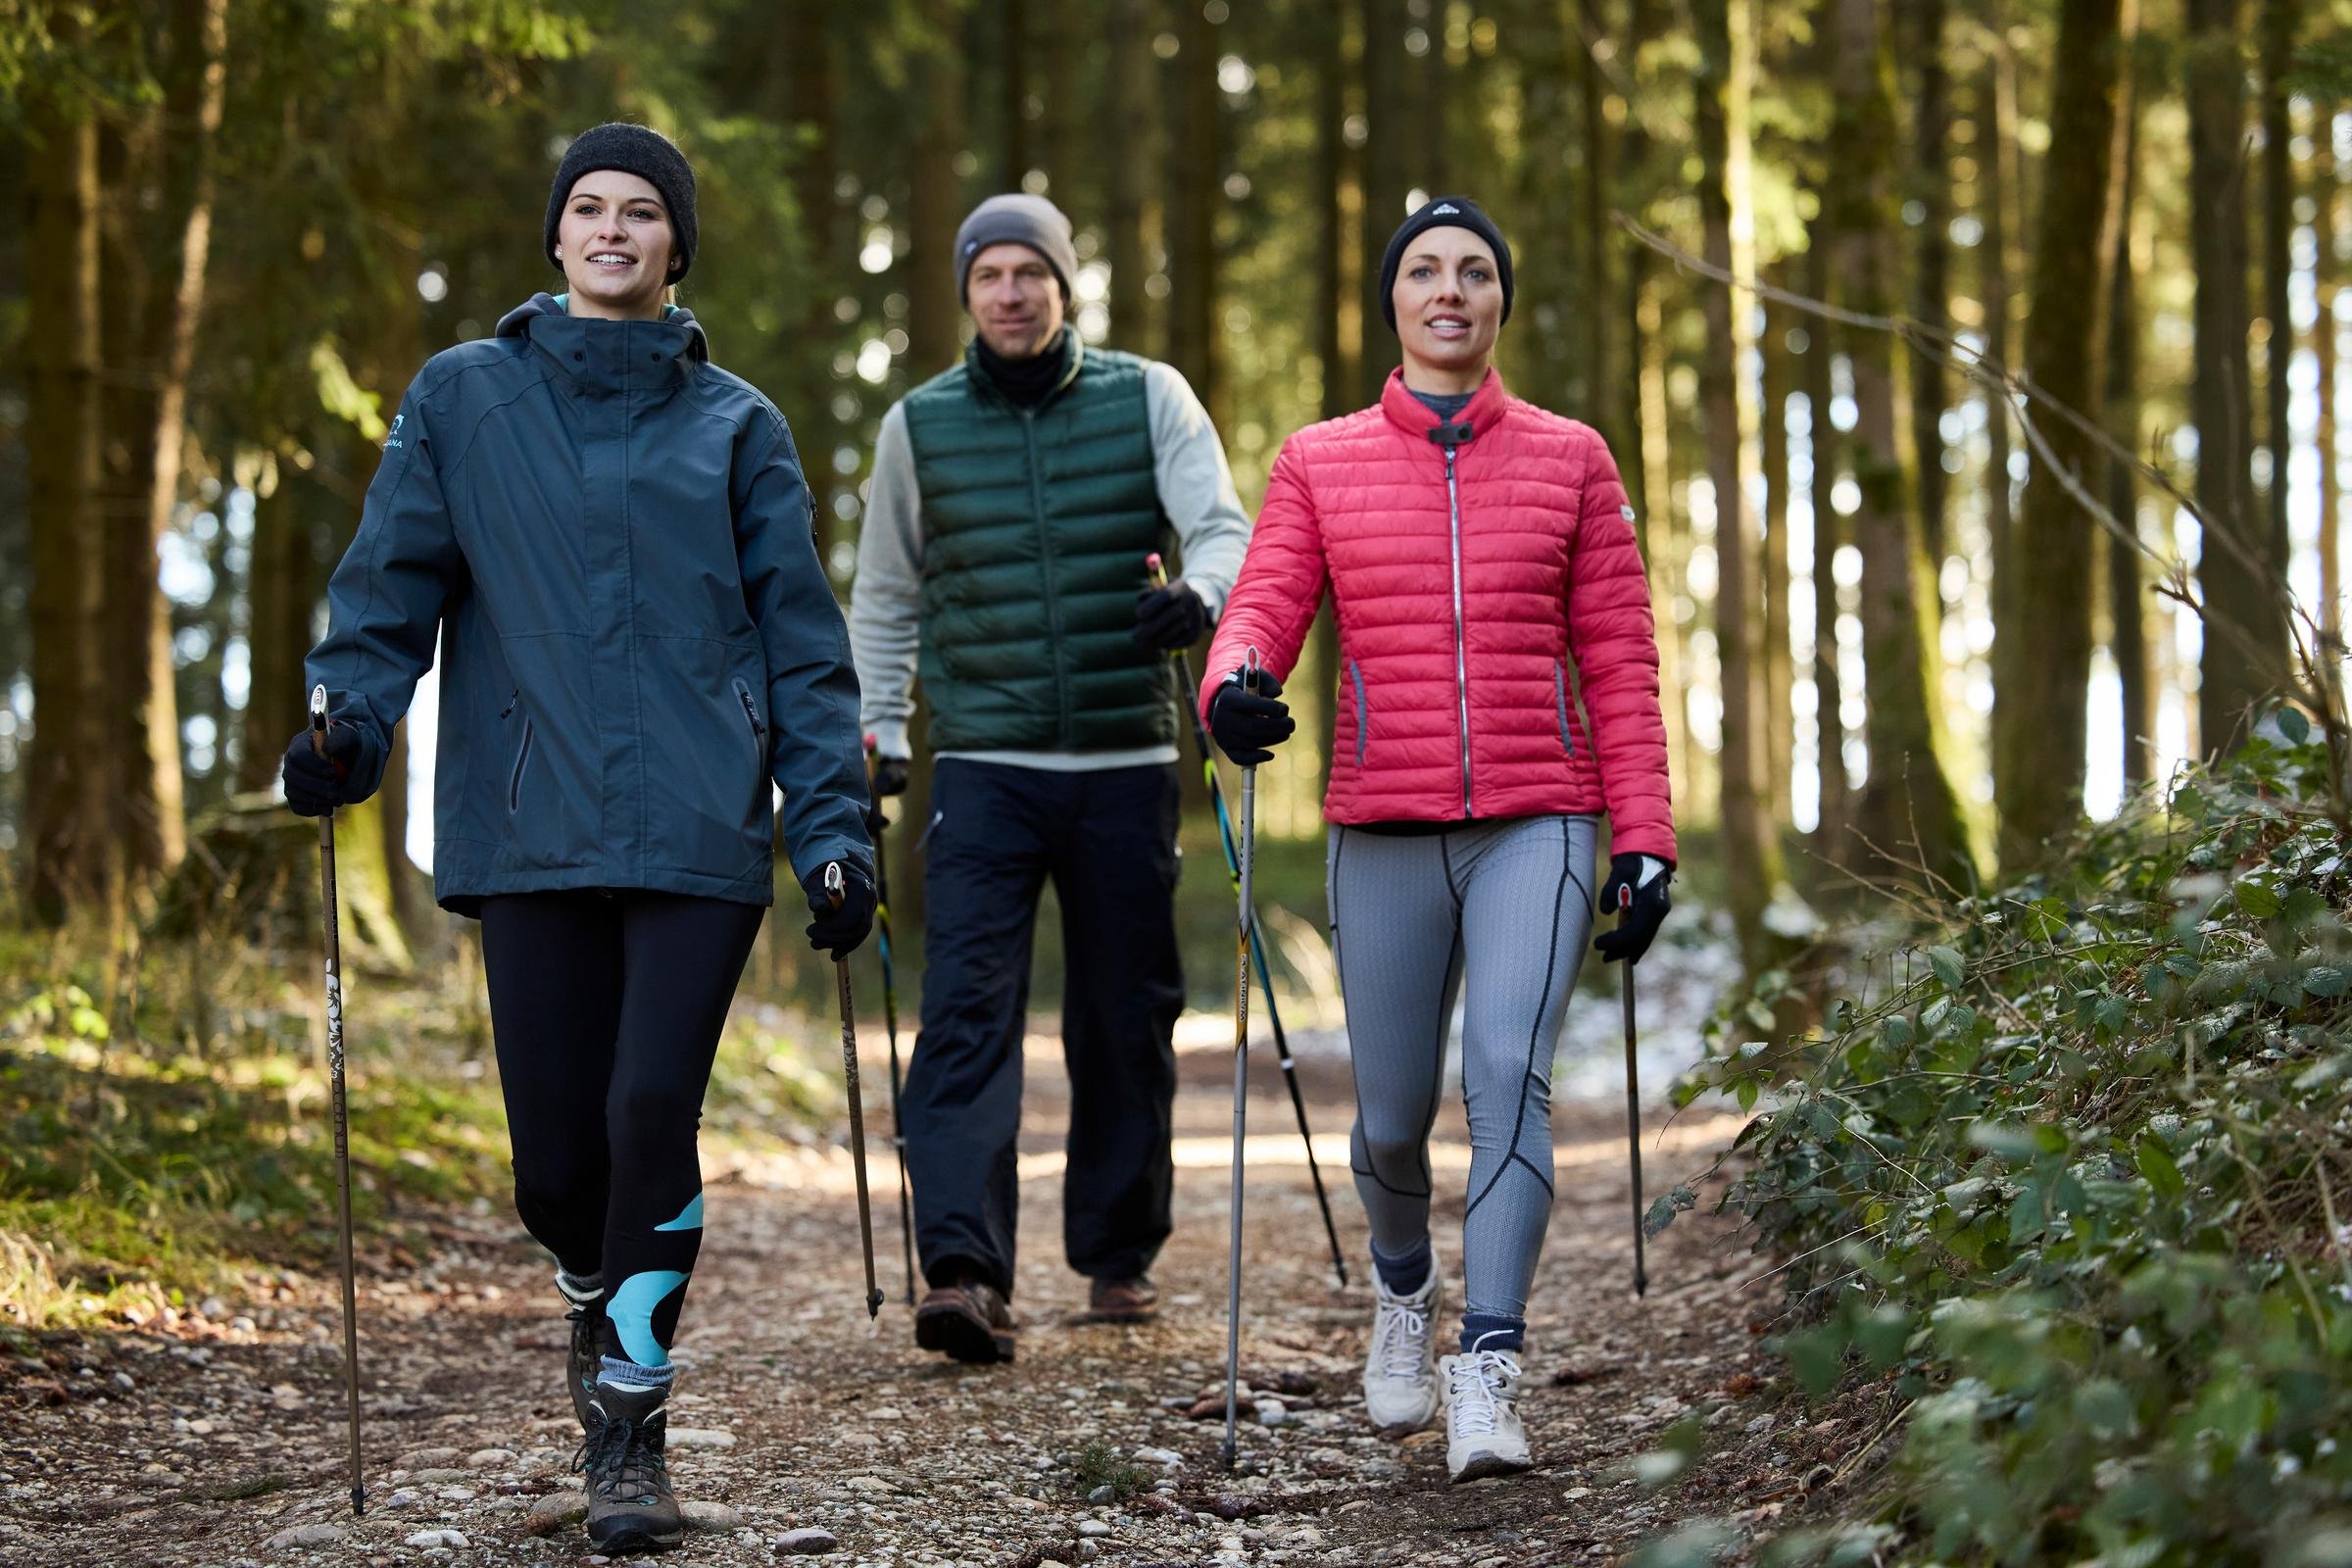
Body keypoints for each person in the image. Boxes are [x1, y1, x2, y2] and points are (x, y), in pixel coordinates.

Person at [280, 123, 874, 1552]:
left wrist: (833, 832)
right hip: (525, 815)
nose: (614, 230)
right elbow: (386, 594)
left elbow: (803, 645)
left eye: (643, 213)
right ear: (557, 238)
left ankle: (630, 1419)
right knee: (554, 1165)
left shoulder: (739, 425)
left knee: (644, 1115)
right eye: (590, 209)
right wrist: (346, 726)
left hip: (697, 826)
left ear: (677, 246)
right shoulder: (462, 399)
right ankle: (592, 1289)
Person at [1200, 197, 1675, 1484]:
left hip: (1545, 815)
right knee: (1395, 1117)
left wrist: (1645, 834)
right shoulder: (1319, 459)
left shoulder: (1575, 459)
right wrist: (1231, 686)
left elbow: (1623, 659)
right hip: (1386, 824)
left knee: (1508, 1077)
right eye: (1426, 271)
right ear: (1394, 301)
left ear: (1501, 302)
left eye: (1475, 271)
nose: (1451, 289)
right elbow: (1265, 603)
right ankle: (1402, 1292)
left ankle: (1492, 1364)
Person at [849, 193, 1250, 1363]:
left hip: (1126, 761)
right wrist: (876, 733)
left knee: (1126, 1017)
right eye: (990, 275)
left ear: (1066, 286)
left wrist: (1202, 599)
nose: (1011, 292)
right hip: (983, 765)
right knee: (968, 1012)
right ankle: (965, 1270)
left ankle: (1118, 1253)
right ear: (967, 292)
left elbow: (1222, 528)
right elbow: (885, 595)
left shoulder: (1150, 395)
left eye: (1032, 272)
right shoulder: (917, 426)